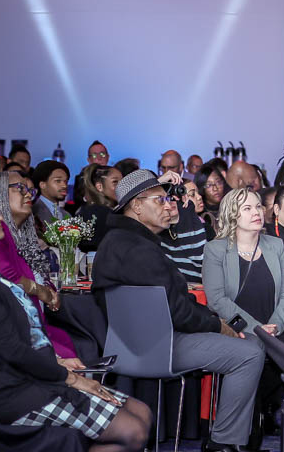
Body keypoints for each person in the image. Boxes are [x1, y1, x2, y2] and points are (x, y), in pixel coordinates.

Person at [0, 183, 150, 451]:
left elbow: (20, 335)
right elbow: (12, 349)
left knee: (141, 413)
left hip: (28, 377)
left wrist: (57, 361)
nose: (0, 219)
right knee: (133, 430)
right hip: (11, 391)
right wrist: (72, 378)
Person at [92, 170, 264, 452]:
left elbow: (172, 305)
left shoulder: (119, 241)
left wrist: (212, 319)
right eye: (159, 200)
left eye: (168, 199)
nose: (169, 205)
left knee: (246, 341)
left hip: (135, 342)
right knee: (250, 352)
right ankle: (224, 442)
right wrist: (218, 325)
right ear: (136, 206)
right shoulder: (138, 249)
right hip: (158, 345)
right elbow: (178, 312)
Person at [203, 189, 284, 445]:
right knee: (253, 356)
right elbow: (217, 300)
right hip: (238, 329)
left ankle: (265, 421)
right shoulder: (216, 250)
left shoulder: (275, 245)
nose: (256, 212)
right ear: (232, 214)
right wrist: (258, 329)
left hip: (275, 328)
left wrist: (276, 324)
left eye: (258, 207)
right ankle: (245, 436)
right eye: (247, 208)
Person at [0, 172, 82, 363]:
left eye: (29, 190)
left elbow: (38, 275)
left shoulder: (24, 236)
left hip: (36, 325)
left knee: (77, 342)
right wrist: (41, 291)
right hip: (14, 332)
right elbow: (5, 277)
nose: (28, 194)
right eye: (20, 188)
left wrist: (50, 291)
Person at [75, 164, 121, 252]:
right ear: (99, 186)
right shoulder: (102, 214)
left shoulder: (88, 210)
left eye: (122, 182)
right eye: (115, 182)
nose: (121, 186)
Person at [31, 160, 71, 226]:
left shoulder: (67, 215)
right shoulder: (33, 213)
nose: (64, 186)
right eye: (58, 181)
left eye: (66, 181)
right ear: (42, 184)